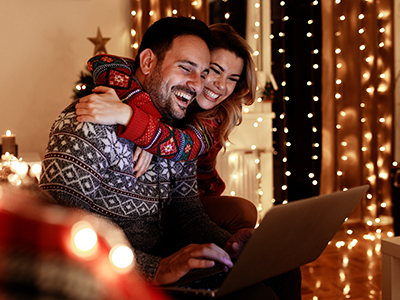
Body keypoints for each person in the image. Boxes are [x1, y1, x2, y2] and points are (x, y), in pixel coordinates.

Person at [40, 17, 301, 299]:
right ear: (149, 62)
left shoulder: (174, 129)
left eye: (202, 74)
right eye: (186, 68)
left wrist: (229, 245)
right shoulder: (89, 120)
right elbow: (58, 233)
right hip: (114, 276)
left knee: (282, 268)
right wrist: (155, 269)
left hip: (162, 256)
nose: (197, 85)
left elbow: (186, 214)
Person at [76, 23, 258, 234]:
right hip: (150, 203)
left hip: (194, 202)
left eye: (233, 79)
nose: (222, 85)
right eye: (214, 71)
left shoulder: (216, 117)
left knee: (245, 214)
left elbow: (183, 146)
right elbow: (103, 64)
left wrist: (130, 117)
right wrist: (146, 113)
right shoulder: (167, 92)